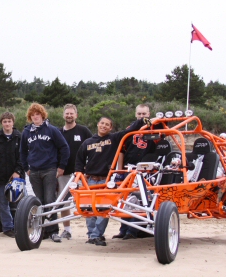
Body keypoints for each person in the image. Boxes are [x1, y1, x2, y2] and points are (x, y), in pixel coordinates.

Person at [75, 115, 149, 246]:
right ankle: (91, 235)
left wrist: (142, 120)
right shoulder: (87, 142)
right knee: (88, 209)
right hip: (90, 180)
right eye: (102, 123)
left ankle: (97, 235)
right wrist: (79, 175)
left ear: (111, 128)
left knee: (103, 210)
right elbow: (79, 160)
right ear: (98, 124)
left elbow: (129, 131)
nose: (104, 126)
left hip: (107, 180)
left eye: (107, 124)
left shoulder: (114, 139)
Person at [20, 103, 70, 242]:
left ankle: (54, 230)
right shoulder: (26, 132)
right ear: (30, 117)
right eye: (33, 115)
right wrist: (26, 168)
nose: (36, 117)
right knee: (39, 202)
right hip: (34, 171)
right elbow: (22, 151)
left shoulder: (52, 130)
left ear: (43, 115)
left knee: (50, 200)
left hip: (49, 169)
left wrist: (61, 167)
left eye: (38, 114)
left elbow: (64, 147)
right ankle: (42, 231)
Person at [114, 104, 156, 240]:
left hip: (145, 170)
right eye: (139, 114)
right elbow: (121, 151)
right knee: (124, 200)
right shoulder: (129, 130)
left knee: (138, 200)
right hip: (128, 169)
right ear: (135, 114)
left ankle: (133, 231)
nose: (142, 117)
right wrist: (120, 171)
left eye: (144, 114)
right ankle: (124, 229)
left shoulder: (154, 128)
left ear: (149, 114)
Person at [58, 104, 92, 240]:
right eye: (67, 113)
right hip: (64, 173)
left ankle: (92, 232)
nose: (69, 116)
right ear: (63, 115)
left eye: (72, 113)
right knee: (64, 203)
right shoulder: (59, 132)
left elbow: (93, 148)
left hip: (82, 174)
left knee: (88, 202)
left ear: (76, 115)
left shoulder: (84, 131)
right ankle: (67, 230)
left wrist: (89, 168)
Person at [0, 112, 24, 238]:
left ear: (13, 122)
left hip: (16, 176)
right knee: (3, 204)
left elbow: (23, 157)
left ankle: (18, 226)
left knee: (17, 203)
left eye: (9, 121)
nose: (7, 124)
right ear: (1, 123)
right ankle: (7, 227)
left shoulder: (19, 137)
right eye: (5, 121)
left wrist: (18, 171)